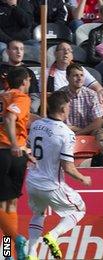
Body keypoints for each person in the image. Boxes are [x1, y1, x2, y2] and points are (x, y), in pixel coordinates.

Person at [25, 91, 92, 260]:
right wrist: (83, 178)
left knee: (38, 214)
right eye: (68, 106)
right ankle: (53, 235)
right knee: (79, 210)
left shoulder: (35, 125)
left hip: (33, 181)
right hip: (51, 185)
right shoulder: (66, 134)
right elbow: (68, 167)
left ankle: (31, 254)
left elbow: (28, 149)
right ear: (63, 109)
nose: (69, 109)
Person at [0, 67, 30, 259]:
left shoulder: (2, 96)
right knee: (10, 206)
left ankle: (8, 251)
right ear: (24, 81)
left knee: (7, 206)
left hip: (6, 154)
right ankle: (15, 242)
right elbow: (10, 117)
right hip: (12, 152)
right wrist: (14, 143)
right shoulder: (21, 98)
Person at [56, 63, 103, 135]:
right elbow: (55, 121)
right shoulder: (59, 95)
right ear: (67, 78)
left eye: (81, 75)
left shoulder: (91, 95)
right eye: (75, 75)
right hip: (64, 135)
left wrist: (78, 133)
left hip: (87, 135)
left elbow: (98, 122)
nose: (79, 78)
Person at [0, 40, 39, 112]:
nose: (19, 52)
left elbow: (35, 97)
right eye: (15, 49)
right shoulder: (1, 71)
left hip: (25, 111)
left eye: (21, 49)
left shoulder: (29, 72)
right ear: (7, 52)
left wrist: (26, 111)